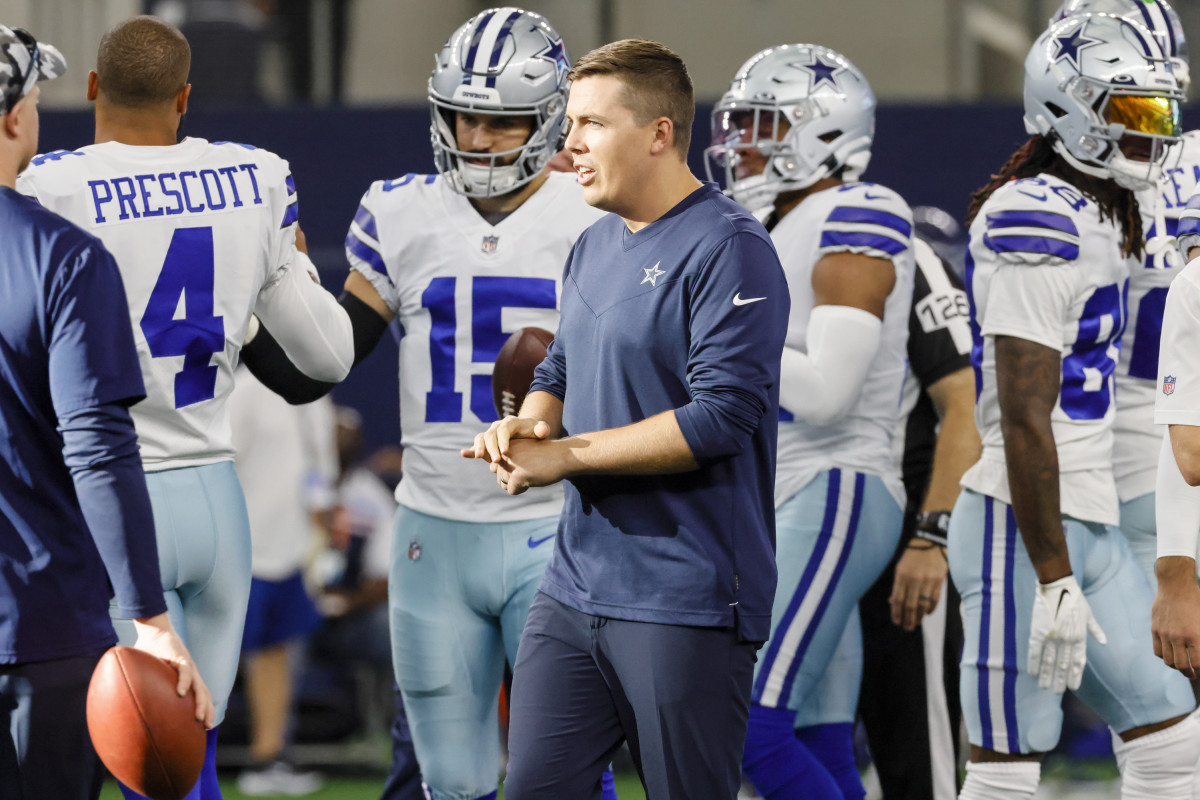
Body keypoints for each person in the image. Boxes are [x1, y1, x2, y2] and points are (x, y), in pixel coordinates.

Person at [239, 9, 611, 798]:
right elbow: (324, 365)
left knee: (567, 775)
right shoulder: (398, 209)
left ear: (551, 119)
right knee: (449, 780)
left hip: (557, 527)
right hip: (433, 533)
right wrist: (260, 308)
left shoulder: (596, 209)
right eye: (461, 116)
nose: (474, 138)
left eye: (499, 121)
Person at [16, 16, 352, 800]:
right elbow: (327, 359)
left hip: (104, 499)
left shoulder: (49, 185)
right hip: (215, 494)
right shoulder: (255, 177)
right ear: (186, 98)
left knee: (100, 745)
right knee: (179, 750)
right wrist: (285, 274)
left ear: (92, 89)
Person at [464, 38, 790, 799]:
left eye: (591, 125)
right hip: (575, 586)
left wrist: (568, 455)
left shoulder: (733, 248)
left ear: (659, 133)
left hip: (687, 596)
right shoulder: (593, 242)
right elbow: (559, 366)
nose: (569, 145)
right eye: (569, 124)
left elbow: (721, 419)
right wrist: (533, 425)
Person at [951, 12, 1197, 799]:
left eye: (1155, 112)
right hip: (1016, 526)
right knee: (1006, 770)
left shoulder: (1101, 209)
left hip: (1084, 518)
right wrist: (1053, 574)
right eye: (1128, 112)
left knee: (1171, 740)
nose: (1149, 134)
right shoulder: (1036, 213)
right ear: (1068, 110)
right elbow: (1024, 418)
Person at [0, 25, 213, 799]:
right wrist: (150, 619)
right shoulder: (61, 255)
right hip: (40, 626)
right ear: (14, 117)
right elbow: (97, 447)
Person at [703, 44, 915, 800]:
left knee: (744, 730)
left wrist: (708, 342)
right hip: (787, 493)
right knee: (819, 740)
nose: (740, 145)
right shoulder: (762, 225)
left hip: (835, 486)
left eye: (762, 126)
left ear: (822, 135)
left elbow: (827, 391)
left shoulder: (858, 211)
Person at [857, 230, 979, 800]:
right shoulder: (750, 235)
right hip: (790, 530)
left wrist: (932, 537)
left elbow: (963, 407)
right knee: (788, 735)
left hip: (898, 537)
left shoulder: (904, 252)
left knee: (915, 762)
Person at [229, 369, 335, 795]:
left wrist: (320, 543)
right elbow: (224, 468)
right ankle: (186, 764)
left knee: (276, 656)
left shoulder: (318, 398)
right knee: (221, 664)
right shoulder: (243, 391)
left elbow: (320, 477)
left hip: (296, 554)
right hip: (246, 552)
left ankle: (269, 758)